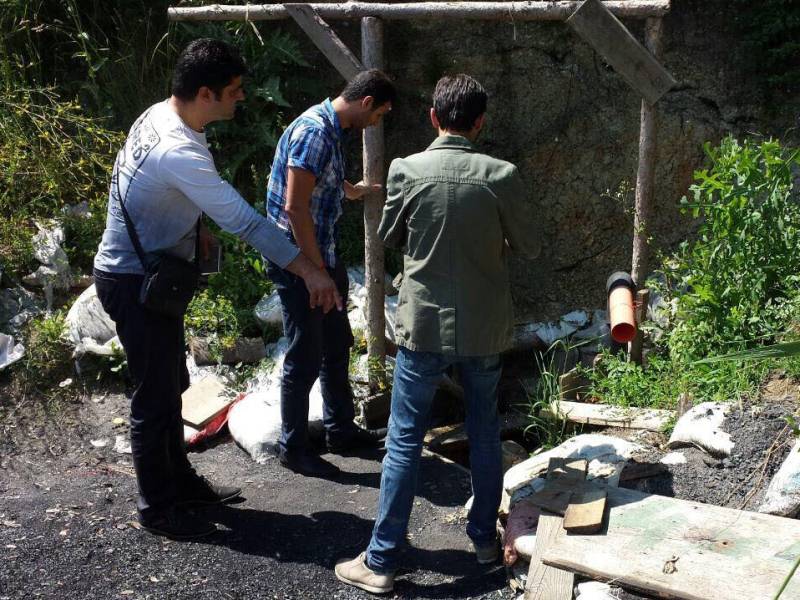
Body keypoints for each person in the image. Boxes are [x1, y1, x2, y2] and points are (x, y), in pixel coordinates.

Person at [93, 38, 341, 540]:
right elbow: (246, 223)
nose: (242, 97)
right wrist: (310, 271)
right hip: (134, 281)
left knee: (171, 387)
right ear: (205, 94)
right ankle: (157, 509)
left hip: (151, 274)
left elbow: (159, 189)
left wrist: (195, 226)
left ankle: (180, 484)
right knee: (153, 398)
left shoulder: (163, 115)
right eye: (234, 90)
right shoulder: (177, 148)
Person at [335, 74, 541, 594]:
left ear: (433, 117)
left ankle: (381, 560)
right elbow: (530, 246)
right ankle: (485, 541)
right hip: (483, 328)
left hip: (423, 325)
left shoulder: (407, 169)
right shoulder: (502, 174)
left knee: (404, 439)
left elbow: (388, 235)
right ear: (480, 122)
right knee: (485, 431)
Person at [265, 69, 396, 477]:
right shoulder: (315, 132)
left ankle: (340, 430)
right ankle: (293, 447)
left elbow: (321, 181)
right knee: (304, 354)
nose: (375, 123)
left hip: (322, 254)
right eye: (378, 115)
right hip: (299, 261)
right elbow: (294, 207)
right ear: (366, 102)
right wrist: (316, 272)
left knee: (336, 345)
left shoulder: (331, 130)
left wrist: (355, 191)